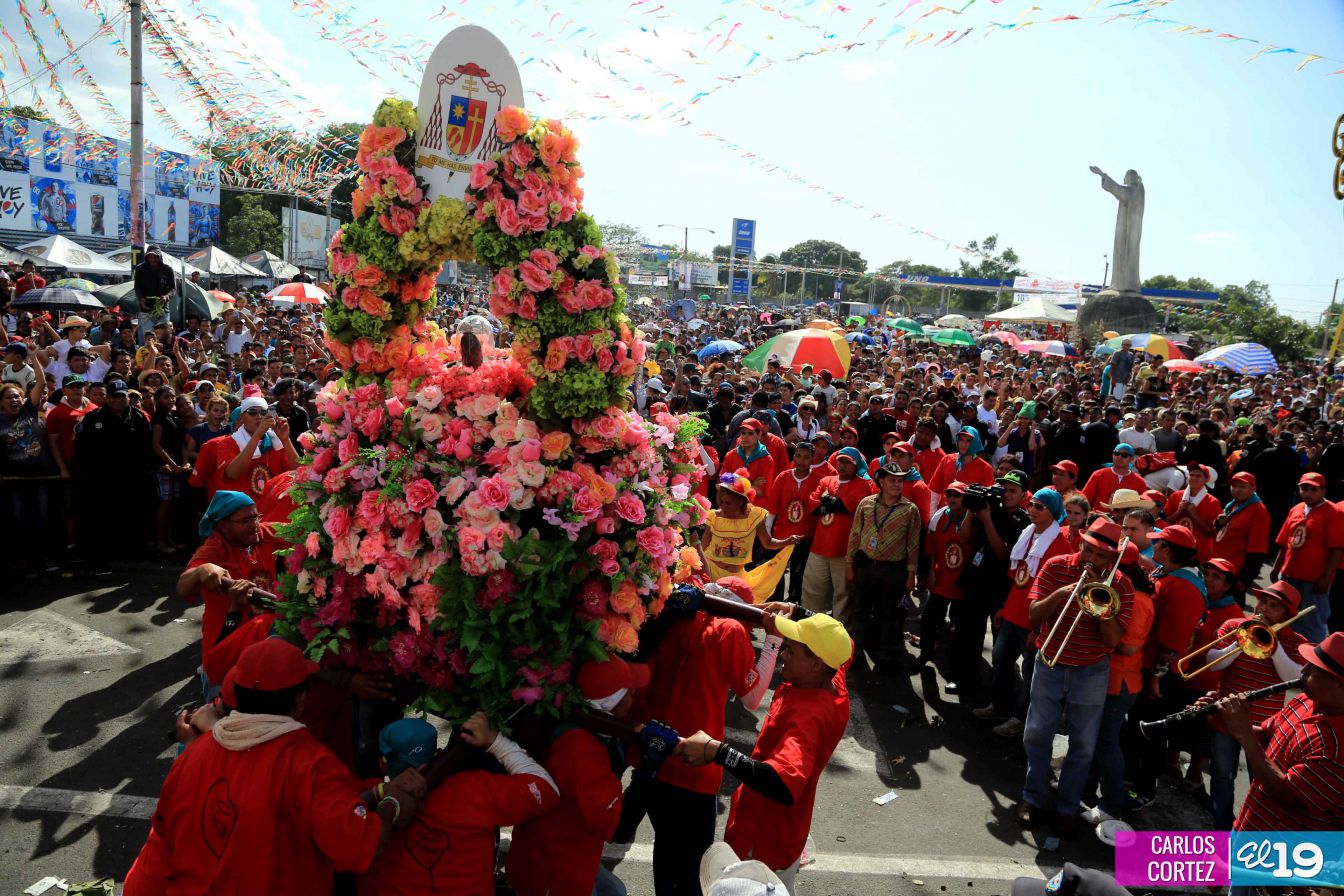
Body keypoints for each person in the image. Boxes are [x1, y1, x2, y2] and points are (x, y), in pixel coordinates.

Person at [123, 640, 424, 896]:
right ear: (300, 698)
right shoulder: (311, 763)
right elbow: (359, 846)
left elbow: (164, 837)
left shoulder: (193, 754)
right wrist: (391, 805)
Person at [616, 581, 781, 896]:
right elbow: (752, 697)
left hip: (651, 756)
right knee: (693, 874)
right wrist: (773, 640)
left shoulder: (672, 613)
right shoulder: (730, 630)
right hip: (695, 769)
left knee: (665, 857)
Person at [678, 609, 852, 891]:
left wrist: (717, 752)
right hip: (783, 833)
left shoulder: (807, 719)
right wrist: (797, 612)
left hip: (762, 843)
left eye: (791, 651)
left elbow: (782, 782)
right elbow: (844, 642)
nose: (783, 654)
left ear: (816, 664)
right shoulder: (834, 676)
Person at [1018, 517, 1134, 838]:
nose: (1091, 560)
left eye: (1100, 556)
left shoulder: (1121, 584)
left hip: (1091, 670)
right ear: (1080, 544)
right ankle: (1033, 797)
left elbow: (1111, 641)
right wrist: (1064, 594)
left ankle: (1067, 807)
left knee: (1083, 745)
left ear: (1111, 559)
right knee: (1037, 733)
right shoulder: (1056, 566)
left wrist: (1100, 603)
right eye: (1088, 550)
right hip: (1050, 662)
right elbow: (1033, 616)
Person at [358, 711, 559, 896]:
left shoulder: (356, 803)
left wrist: (381, 792)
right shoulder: (474, 790)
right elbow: (545, 789)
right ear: (436, 753)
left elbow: (336, 814)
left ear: (383, 764)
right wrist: (495, 742)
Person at [507, 656, 643, 896]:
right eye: (625, 689)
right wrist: (649, 776)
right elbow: (608, 818)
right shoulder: (582, 751)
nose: (634, 690)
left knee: (616, 891)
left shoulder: (579, 732)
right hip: (555, 869)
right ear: (608, 703)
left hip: (557, 850)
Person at [1215, 631, 1344, 872]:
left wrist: (1243, 733)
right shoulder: (1305, 701)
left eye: (1314, 669)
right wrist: (1224, 720)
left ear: (1339, 682)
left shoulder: (1338, 748)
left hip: (1285, 861)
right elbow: (1267, 736)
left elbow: (1286, 795)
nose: (1303, 671)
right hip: (1250, 833)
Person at [1196, 580, 1309, 830]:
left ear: (1287, 614)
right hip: (1227, 717)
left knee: (1262, 779)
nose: (1265, 609)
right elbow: (1213, 664)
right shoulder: (1235, 626)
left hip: (1265, 724)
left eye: (1274, 606)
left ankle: (1251, 827)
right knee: (1222, 775)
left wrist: (1274, 645)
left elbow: (1294, 679)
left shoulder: (1295, 641)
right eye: (1263, 602)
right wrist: (1242, 641)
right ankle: (1222, 826)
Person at [1125, 525, 1208, 809]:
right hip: (1146, 665)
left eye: (1158, 544)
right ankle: (1130, 776)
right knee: (1136, 726)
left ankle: (1144, 788)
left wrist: (1157, 679)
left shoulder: (1184, 587)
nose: (1154, 548)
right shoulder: (1167, 573)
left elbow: (1172, 642)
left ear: (1169, 550)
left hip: (1160, 674)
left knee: (1151, 732)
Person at [980, 487, 1073, 736]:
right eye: (1031, 504)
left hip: (1034, 622)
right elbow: (1016, 579)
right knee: (1000, 660)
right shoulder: (1027, 534)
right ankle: (999, 706)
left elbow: (1057, 596)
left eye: (1039, 506)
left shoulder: (1060, 546)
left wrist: (1040, 629)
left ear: (1053, 512)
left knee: (1030, 673)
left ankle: (1021, 719)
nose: (1032, 509)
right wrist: (1003, 606)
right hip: (1012, 613)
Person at [178, 491, 281, 695]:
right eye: (246, 520)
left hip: (263, 652)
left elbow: (302, 532)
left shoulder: (262, 533)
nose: (254, 524)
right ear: (223, 525)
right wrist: (202, 570)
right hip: (226, 659)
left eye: (255, 517)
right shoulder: (214, 549)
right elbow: (182, 588)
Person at [1082, 542, 1154, 827]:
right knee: (1097, 738)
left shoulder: (1137, 599)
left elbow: (1126, 648)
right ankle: (1085, 787)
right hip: (1108, 678)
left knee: (1106, 742)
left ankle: (1111, 804)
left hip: (1119, 681)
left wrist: (1099, 629)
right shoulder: (1127, 592)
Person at [952, 470, 1031, 703]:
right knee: (967, 636)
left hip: (1000, 589)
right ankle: (966, 680)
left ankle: (999, 696)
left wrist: (986, 519)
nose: (1006, 495)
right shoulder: (989, 507)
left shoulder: (1024, 521)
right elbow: (964, 538)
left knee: (1001, 648)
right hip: (975, 581)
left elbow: (1002, 555)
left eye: (1012, 491)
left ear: (1023, 495)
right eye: (1004, 489)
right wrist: (971, 509)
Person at [847, 462, 921, 673]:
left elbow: (913, 544)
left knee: (890, 615)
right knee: (860, 612)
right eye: (892, 480)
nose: (897, 484)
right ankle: (856, 654)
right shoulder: (867, 504)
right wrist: (849, 564)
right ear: (881, 481)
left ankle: (886, 658)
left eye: (900, 480)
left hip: (894, 570)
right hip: (866, 566)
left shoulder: (909, 509)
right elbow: (855, 535)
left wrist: (911, 574)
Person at [73, 378, 154, 561]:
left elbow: (147, 448)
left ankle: (132, 552)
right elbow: (82, 450)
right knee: (103, 518)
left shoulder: (139, 417)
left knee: (131, 516)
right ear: (107, 398)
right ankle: (104, 554)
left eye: (122, 397)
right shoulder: (94, 418)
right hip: (102, 480)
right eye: (114, 397)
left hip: (132, 478)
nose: (118, 400)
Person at [801, 446, 875, 625]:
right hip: (819, 546)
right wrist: (835, 505)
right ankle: (809, 627)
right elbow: (812, 505)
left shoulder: (864, 485)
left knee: (843, 594)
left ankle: (840, 630)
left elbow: (850, 505)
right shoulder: (827, 480)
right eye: (840, 460)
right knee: (812, 590)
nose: (842, 465)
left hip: (845, 549)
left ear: (856, 466)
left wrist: (832, 504)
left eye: (848, 462)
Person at [700, 473, 800, 601]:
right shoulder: (714, 516)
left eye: (728, 503)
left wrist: (787, 541)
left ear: (741, 502)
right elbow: (703, 546)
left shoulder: (754, 516)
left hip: (736, 579)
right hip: (711, 571)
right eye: (721, 502)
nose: (723, 506)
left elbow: (767, 543)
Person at [1271, 472, 1343, 643]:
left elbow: (1337, 550)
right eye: (1304, 488)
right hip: (1289, 575)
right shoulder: (1295, 509)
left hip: (1314, 579)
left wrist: (1326, 578)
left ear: (1323, 491)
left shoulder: (1333, 512)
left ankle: (1309, 660)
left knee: (1311, 623)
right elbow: (1284, 542)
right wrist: (1276, 567)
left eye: (1313, 489)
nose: (1308, 493)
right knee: (1284, 619)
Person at [192, 395, 300, 501]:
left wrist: (286, 440)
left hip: (270, 509)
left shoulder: (276, 442)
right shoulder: (227, 443)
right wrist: (257, 434)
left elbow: (298, 472)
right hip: (242, 512)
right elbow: (233, 474)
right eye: (252, 412)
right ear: (242, 417)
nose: (259, 416)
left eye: (263, 412)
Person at [766, 440, 825, 604]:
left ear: (813, 459)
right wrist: (768, 536)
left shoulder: (820, 481)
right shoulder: (783, 477)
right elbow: (772, 510)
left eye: (806, 457)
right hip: (781, 535)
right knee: (776, 574)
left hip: (805, 538)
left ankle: (793, 606)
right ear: (794, 457)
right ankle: (775, 605)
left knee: (798, 576)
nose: (801, 461)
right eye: (798, 456)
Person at [1213, 471, 1272, 591]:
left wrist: (1246, 579)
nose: (1237, 490)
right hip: (1217, 568)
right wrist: (1218, 523)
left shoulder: (1258, 511)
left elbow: (1258, 550)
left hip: (1233, 573)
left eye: (1242, 486)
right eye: (1234, 486)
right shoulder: (1232, 505)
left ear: (1253, 488)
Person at [928, 427, 993, 505]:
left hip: (969, 515)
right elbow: (934, 491)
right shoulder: (946, 459)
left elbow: (986, 499)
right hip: (944, 512)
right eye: (961, 439)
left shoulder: (986, 468)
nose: (963, 444)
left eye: (968, 440)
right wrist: (933, 515)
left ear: (975, 442)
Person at [722, 418, 776, 507]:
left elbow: (761, 491)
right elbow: (724, 484)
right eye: (743, 433)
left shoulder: (766, 459)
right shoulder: (730, 455)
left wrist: (734, 481)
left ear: (759, 435)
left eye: (750, 433)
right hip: (731, 506)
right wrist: (751, 484)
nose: (745, 437)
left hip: (754, 508)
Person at [1080, 442, 1147, 513]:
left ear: (1131, 459)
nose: (1119, 457)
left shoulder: (1139, 481)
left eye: (1124, 455)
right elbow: (1084, 499)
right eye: (1117, 453)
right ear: (1112, 455)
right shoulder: (1098, 475)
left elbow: (1142, 508)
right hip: (1099, 519)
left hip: (1125, 522)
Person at [134, 246, 176, 340]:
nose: (153, 259)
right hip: (145, 310)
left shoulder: (167, 269)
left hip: (162, 309)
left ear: (160, 256)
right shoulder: (140, 269)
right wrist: (141, 299)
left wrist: (166, 297)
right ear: (147, 257)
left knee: (163, 337)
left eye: (155, 257)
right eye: (150, 257)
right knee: (147, 338)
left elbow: (173, 289)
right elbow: (137, 287)